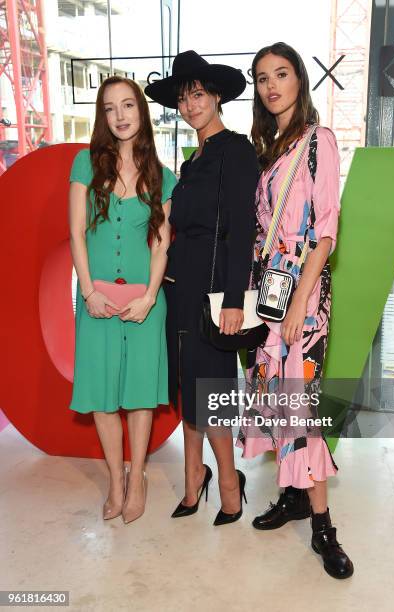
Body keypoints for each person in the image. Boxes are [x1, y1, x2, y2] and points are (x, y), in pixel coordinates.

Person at [237, 42, 354, 578]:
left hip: (303, 300)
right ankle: (292, 496)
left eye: (280, 74)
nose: (271, 85)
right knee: (276, 400)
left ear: (299, 81)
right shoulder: (270, 151)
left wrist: (300, 304)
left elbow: (325, 232)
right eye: (262, 78)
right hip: (272, 297)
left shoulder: (318, 142)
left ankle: (323, 527)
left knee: (301, 408)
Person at [146, 51, 259, 525]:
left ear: (215, 97)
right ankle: (195, 479)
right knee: (189, 389)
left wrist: (234, 300)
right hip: (179, 292)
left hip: (213, 296)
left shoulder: (235, 150)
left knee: (210, 392)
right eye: (182, 98)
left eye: (197, 94)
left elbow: (242, 230)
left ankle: (229, 484)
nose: (190, 105)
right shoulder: (192, 163)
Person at [69, 76, 177, 524]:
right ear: (102, 116)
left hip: (142, 304)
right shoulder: (84, 164)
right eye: (110, 108)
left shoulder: (163, 176)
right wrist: (89, 291)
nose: (120, 115)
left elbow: (161, 244)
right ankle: (116, 479)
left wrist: (150, 297)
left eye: (128, 105)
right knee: (102, 398)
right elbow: (75, 232)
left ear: (141, 111)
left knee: (137, 398)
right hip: (97, 302)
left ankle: (138, 480)